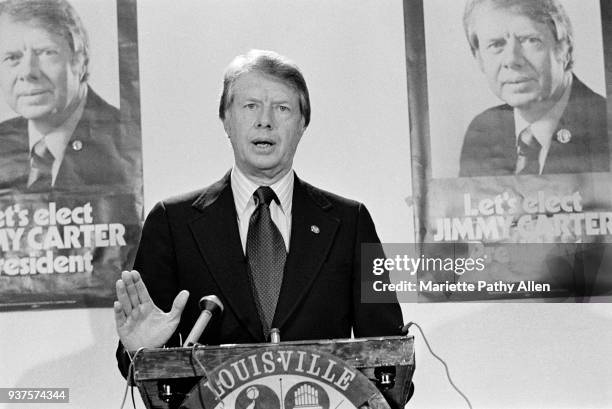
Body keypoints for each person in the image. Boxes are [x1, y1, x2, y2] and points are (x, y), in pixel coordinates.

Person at [114, 50, 403, 377]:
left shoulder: (351, 224)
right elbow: (138, 369)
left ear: (303, 124)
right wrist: (142, 351)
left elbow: (389, 356)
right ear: (226, 119)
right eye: (250, 106)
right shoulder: (172, 223)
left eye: (282, 108)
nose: (265, 120)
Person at [0, 0, 140, 193]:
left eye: (46, 53)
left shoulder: (129, 142)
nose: (27, 72)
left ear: (81, 61)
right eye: (12, 58)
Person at [459, 0, 608, 177]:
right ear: (479, 59)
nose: (512, 60)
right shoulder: (481, 132)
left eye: (530, 40)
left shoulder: (606, 126)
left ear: (564, 49)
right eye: (496, 45)